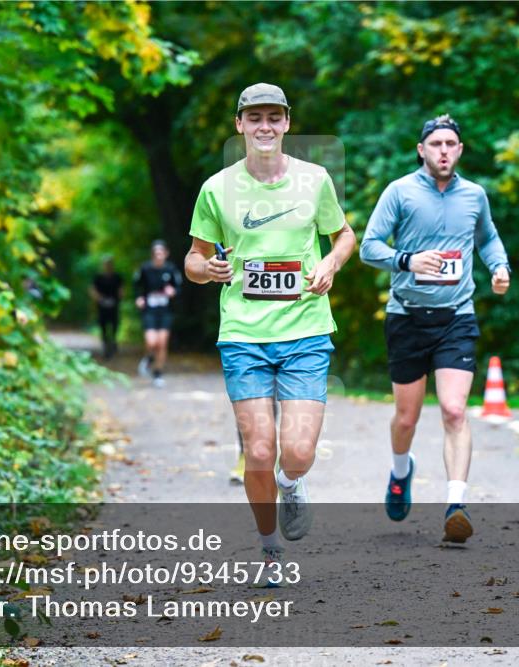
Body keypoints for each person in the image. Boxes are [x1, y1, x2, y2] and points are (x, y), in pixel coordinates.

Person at [185, 83, 356, 572]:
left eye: (273, 117)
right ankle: (269, 548)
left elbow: (343, 235)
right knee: (258, 449)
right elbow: (194, 259)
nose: (265, 126)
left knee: (296, 452)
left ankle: (293, 484)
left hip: (305, 330)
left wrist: (331, 265)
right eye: (254, 117)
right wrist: (207, 271)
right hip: (243, 334)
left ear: (286, 123)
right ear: (239, 124)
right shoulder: (216, 189)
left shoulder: (315, 179)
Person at [360, 114, 510, 544]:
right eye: (436, 143)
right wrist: (407, 260)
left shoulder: (475, 195)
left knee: (454, 410)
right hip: (407, 316)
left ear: (460, 150)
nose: (444, 150)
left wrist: (499, 267)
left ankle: (455, 504)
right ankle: (400, 471)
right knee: (406, 418)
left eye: (451, 143)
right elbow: (370, 247)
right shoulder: (400, 192)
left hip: (457, 317)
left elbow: (487, 239)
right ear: (421, 150)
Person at [134, 240, 182, 388]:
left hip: (165, 311)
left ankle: (158, 374)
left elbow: (179, 286)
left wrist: (173, 292)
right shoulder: (145, 268)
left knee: (162, 343)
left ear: (166, 254)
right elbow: (136, 285)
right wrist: (139, 298)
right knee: (151, 341)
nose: (159, 255)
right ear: (153, 254)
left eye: (161, 253)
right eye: (156, 253)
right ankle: (149, 358)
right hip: (150, 310)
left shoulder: (171, 269)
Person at [90, 256, 123, 359]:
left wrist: (118, 299)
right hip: (102, 306)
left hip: (114, 305)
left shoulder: (117, 277)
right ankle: (105, 346)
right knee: (103, 327)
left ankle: (112, 342)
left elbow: (121, 290)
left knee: (114, 326)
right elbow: (92, 290)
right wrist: (99, 299)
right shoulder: (98, 278)